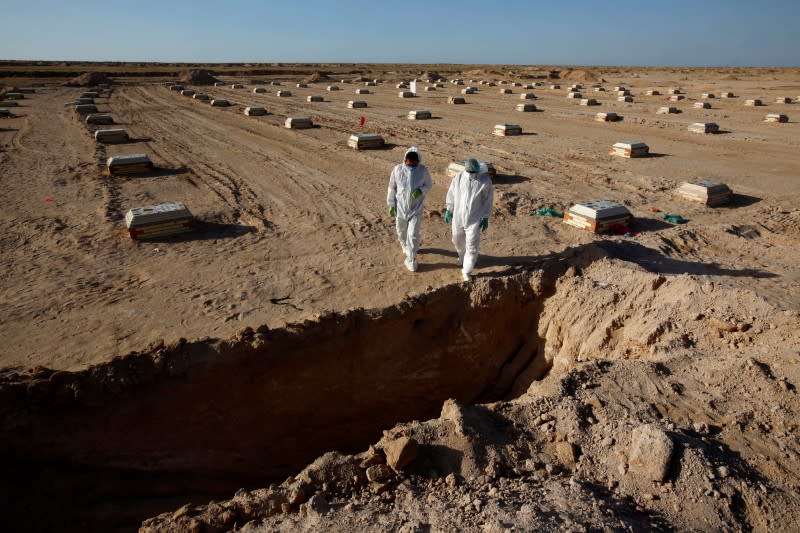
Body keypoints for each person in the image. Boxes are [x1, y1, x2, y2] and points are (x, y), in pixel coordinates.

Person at [444, 158, 494, 281]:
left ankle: (467, 270)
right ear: (466, 169)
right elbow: (451, 194)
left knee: (472, 245)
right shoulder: (459, 177)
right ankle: (461, 256)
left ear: (477, 170)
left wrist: (485, 217)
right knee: (456, 239)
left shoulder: (484, 181)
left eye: (473, 171)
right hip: (458, 216)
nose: (471, 174)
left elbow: (488, 200)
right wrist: (449, 209)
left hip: (474, 218)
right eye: (469, 171)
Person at [387, 146, 433, 272]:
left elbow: (428, 184)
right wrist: (391, 205)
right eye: (409, 163)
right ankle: (404, 245)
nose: (412, 166)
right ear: (405, 160)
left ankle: (411, 258)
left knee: (412, 234)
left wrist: (421, 191)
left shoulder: (423, 170)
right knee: (401, 231)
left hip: (416, 208)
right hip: (401, 207)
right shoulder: (397, 169)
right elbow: (392, 187)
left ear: (418, 161)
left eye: (414, 164)